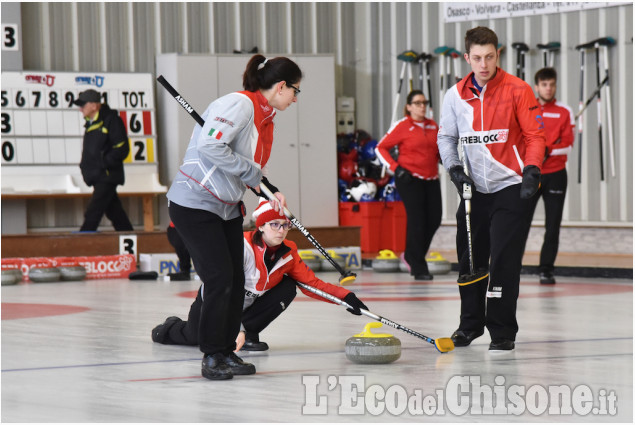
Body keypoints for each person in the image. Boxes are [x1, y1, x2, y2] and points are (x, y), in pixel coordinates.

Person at [165, 55, 304, 380]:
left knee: (236, 280)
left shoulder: (266, 119)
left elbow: (253, 170)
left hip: (225, 206)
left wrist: (270, 191)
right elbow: (211, 147)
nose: (296, 98)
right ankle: (212, 355)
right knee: (219, 279)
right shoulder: (240, 105)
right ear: (281, 86)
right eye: (295, 91)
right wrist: (253, 174)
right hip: (195, 203)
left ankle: (226, 350)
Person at [436, 26, 546, 352]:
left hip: (511, 186)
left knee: (503, 259)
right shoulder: (455, 96)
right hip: (474, 189)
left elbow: (534, 136)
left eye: (489, 57)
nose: (483, 65)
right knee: (470, 259)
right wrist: (454, 169)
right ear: (466, 57)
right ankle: (469, 325)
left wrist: (532, 169)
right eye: (477, 58)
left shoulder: (518, 89)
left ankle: (501, 331)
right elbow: (446, 137)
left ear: (498, 54)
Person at [152, 199, 368, 352]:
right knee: (197, 339)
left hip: (247, 307)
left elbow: (312, 284)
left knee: (287, 287)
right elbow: (222, 287)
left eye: (285, 225)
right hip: (216, 301)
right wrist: (233, 327)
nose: (281, 230)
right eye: (274, 224)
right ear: (261, 226)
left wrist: (346, 298)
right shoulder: (242, 245)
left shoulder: (289, 252)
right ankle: (169, 327)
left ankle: (247, 333)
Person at [375, 90, 441, 281]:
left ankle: (412, 254)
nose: (422, 106)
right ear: (409, 106)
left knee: (434, 219)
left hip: (431, 179)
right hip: (409, 179)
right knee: (417, 221)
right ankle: (419, 267)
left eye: (424, 102)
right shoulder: (403, 126)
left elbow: (437, 150)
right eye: (418, 103)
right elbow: (380, 147)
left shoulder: (433, 126)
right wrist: (395, 168)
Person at [528, 68, 575, 285]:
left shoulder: (565, 111)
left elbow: (568, 146)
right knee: (518, 222)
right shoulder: (527, 108)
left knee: (553, 224)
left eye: (552, 84)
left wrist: (549, 150)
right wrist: (537, 152)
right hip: (532, 173)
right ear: (536, 87)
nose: (548, 88)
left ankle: (546, 269)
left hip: (556, 174)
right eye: (544, 84)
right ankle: (509, 267)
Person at [74, 89, 133, 232]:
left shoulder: (112, 120)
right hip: (97, 176)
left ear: (94, 105)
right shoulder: (90, 123)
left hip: (107, 175)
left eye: (83, 105)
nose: (80, 109)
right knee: (115, 213)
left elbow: (122, 148)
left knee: (93, 212)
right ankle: (131, 237)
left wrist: (103, 164)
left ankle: (82, 241)